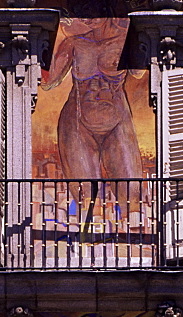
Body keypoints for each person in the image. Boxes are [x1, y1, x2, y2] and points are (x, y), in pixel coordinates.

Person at [41, 18, 145, 223]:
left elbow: (139, 71)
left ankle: (135, 241)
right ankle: (88, 243)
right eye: (83, 14)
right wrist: (55, 35)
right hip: (77, 121)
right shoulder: (73, 43)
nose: (88, 18)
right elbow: (47, 82)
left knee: (131, 194)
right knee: (86, 196)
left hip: (116, 119)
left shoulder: (123, 41)